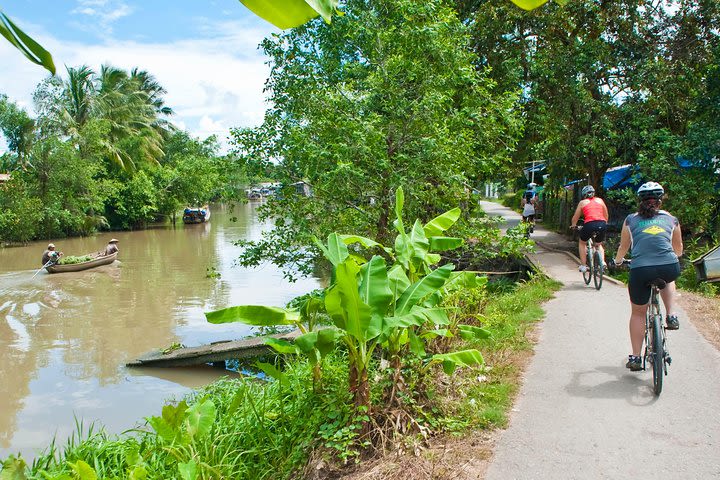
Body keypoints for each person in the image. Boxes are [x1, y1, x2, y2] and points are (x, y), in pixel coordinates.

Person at [612, 182, 683, 371]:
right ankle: (671, 315)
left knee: (638, 313)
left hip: (640, 269)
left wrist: (618, 261)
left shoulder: (630, 220)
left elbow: (624, 247)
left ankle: (636, 357)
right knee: (668, 277)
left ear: (639, 201)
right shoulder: (671, 219)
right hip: (668, 265)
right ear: (660, 201)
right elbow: (679, 250)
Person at [570, 185, 609, 272]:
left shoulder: (582, 203)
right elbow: (606, 215)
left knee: (582, 243)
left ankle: (583, 266)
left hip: (589, 224)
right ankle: (602, 262)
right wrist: (604, 224)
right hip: (602, 223)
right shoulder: (600, 200)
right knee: (598, 244)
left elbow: (575, 217)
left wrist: (573, 225)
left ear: (584, 195)